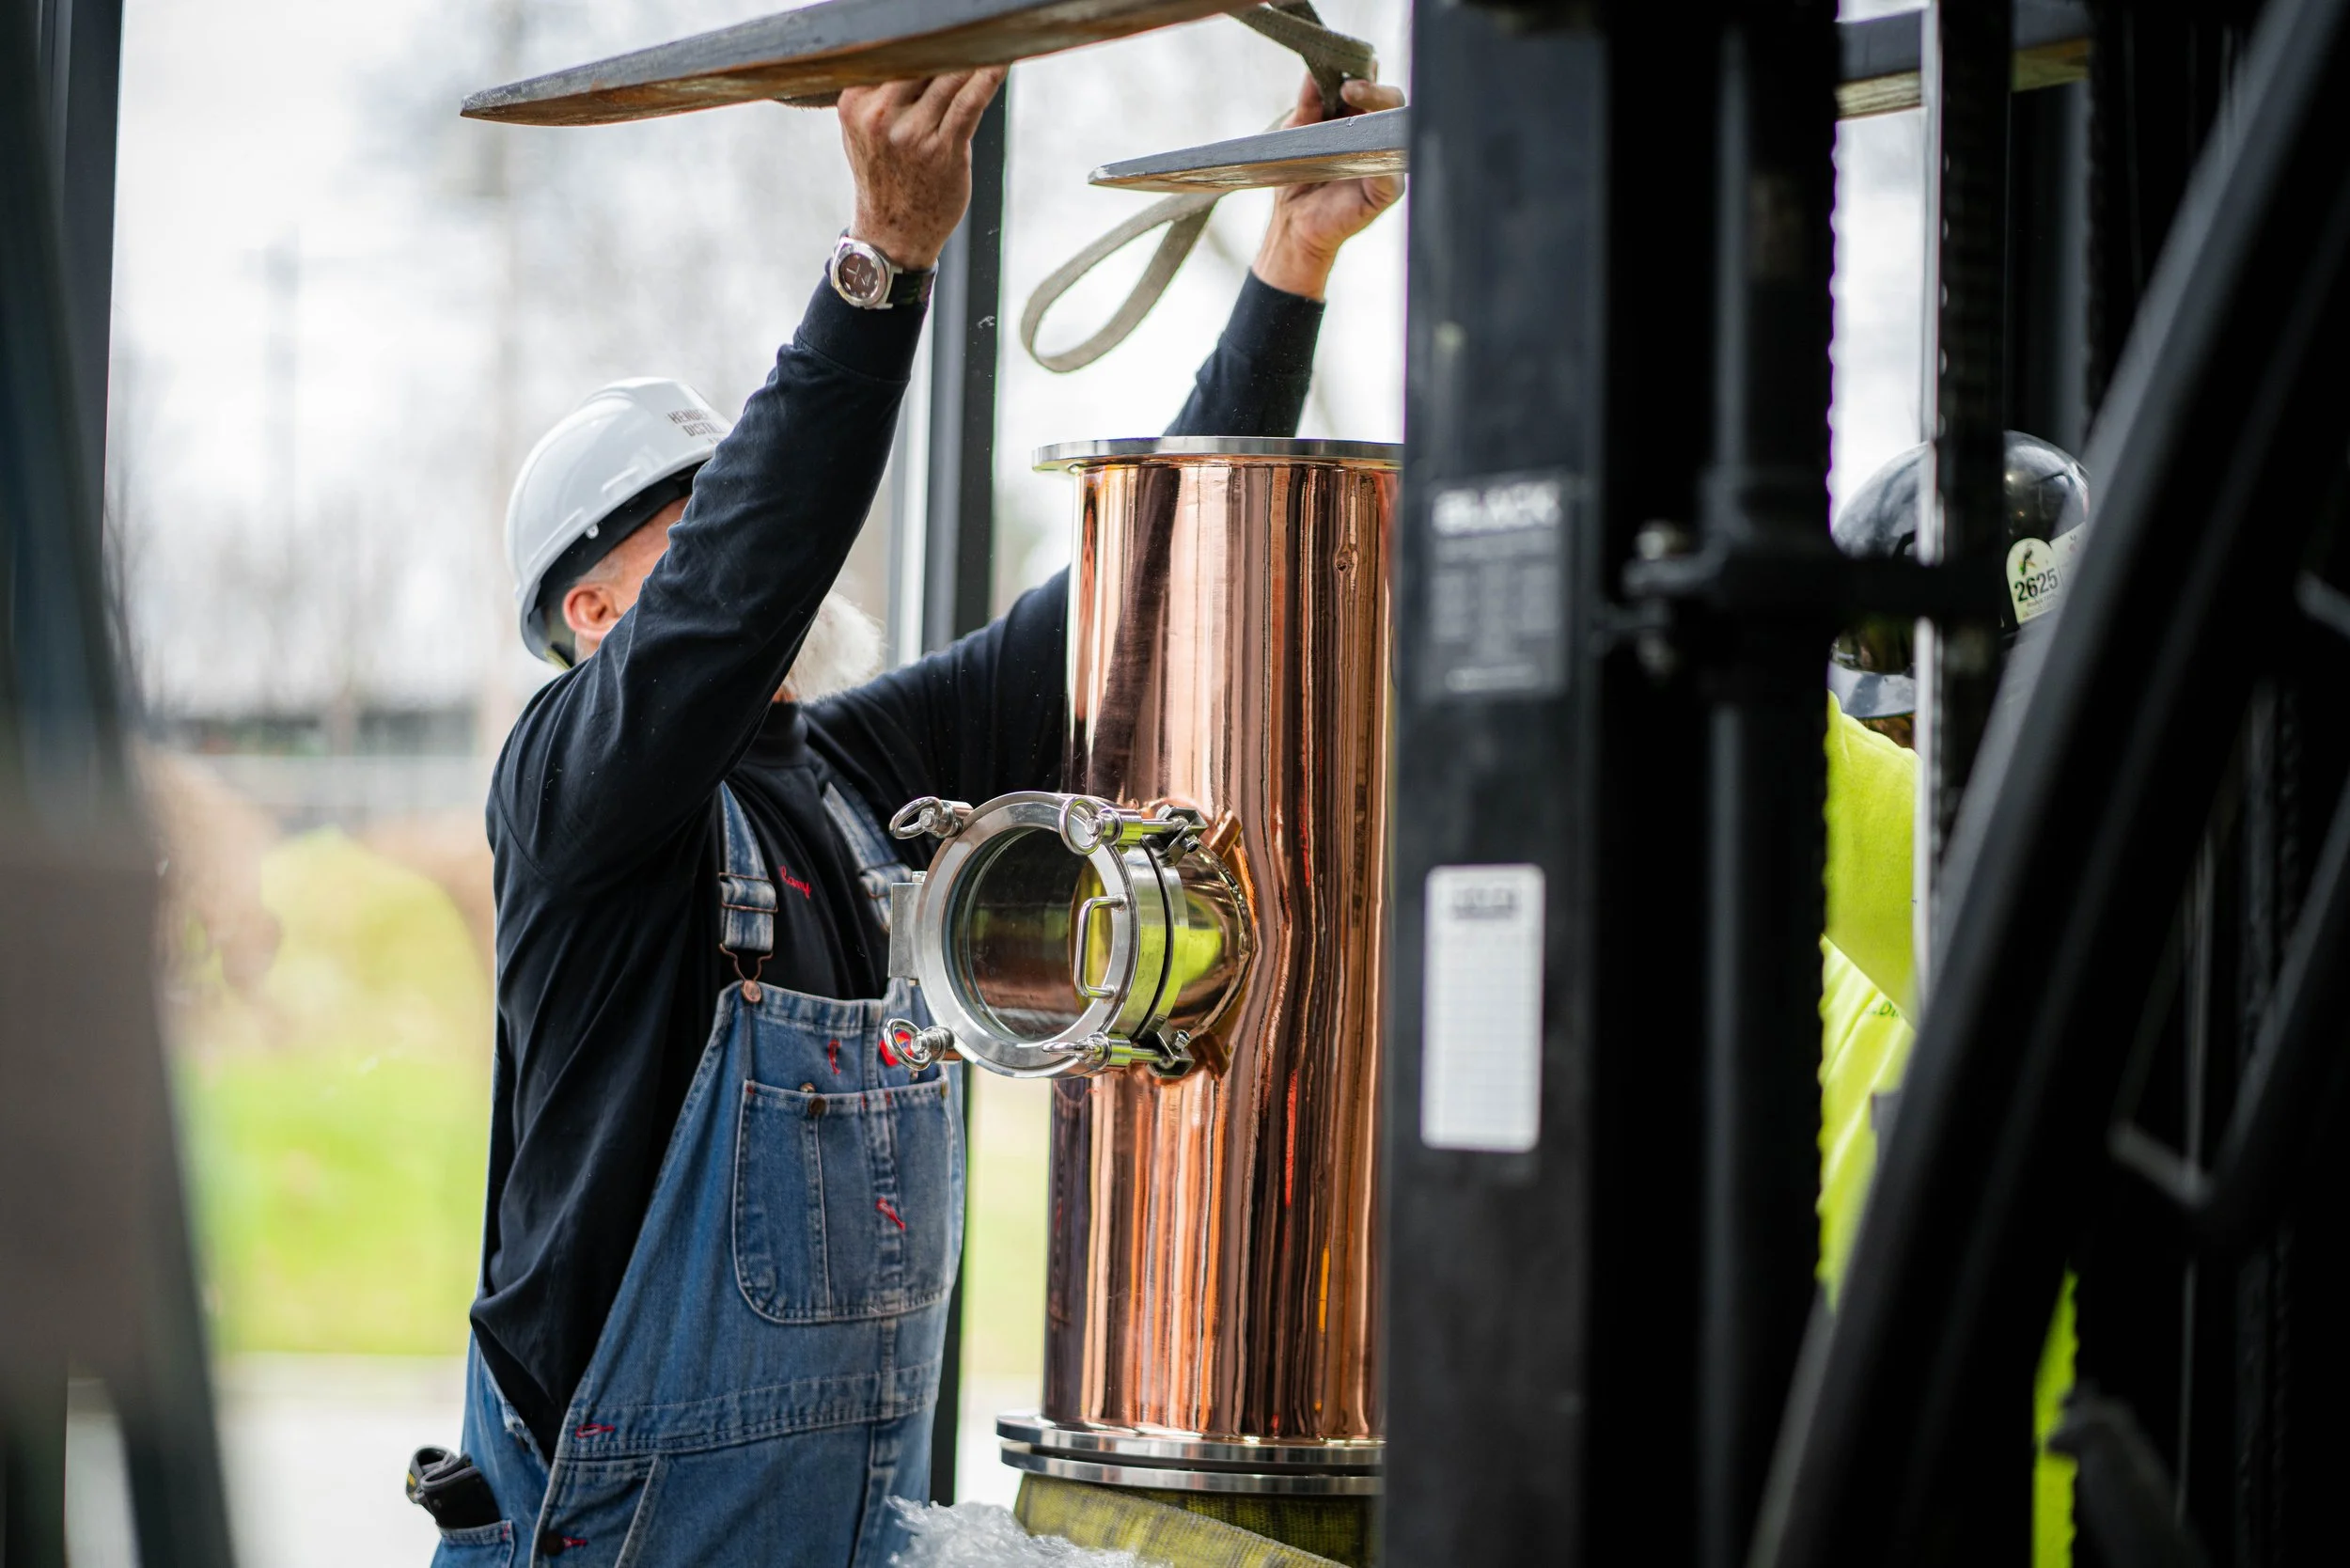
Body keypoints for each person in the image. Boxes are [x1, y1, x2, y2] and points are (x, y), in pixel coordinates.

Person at [432, 65, 1405, 1568]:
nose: (772, 564)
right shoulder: (577, 793)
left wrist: (1289, 263)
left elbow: (1137, 592)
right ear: (595, 607)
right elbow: (749, 572)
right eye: (694, 533)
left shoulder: (846, 778)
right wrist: (880, 264)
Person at [1816, 431, 2092, 1568]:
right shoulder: (1830, 945)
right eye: (1890, 729)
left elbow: (1947, 894)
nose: (1907, 749)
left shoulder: (2082, 889)